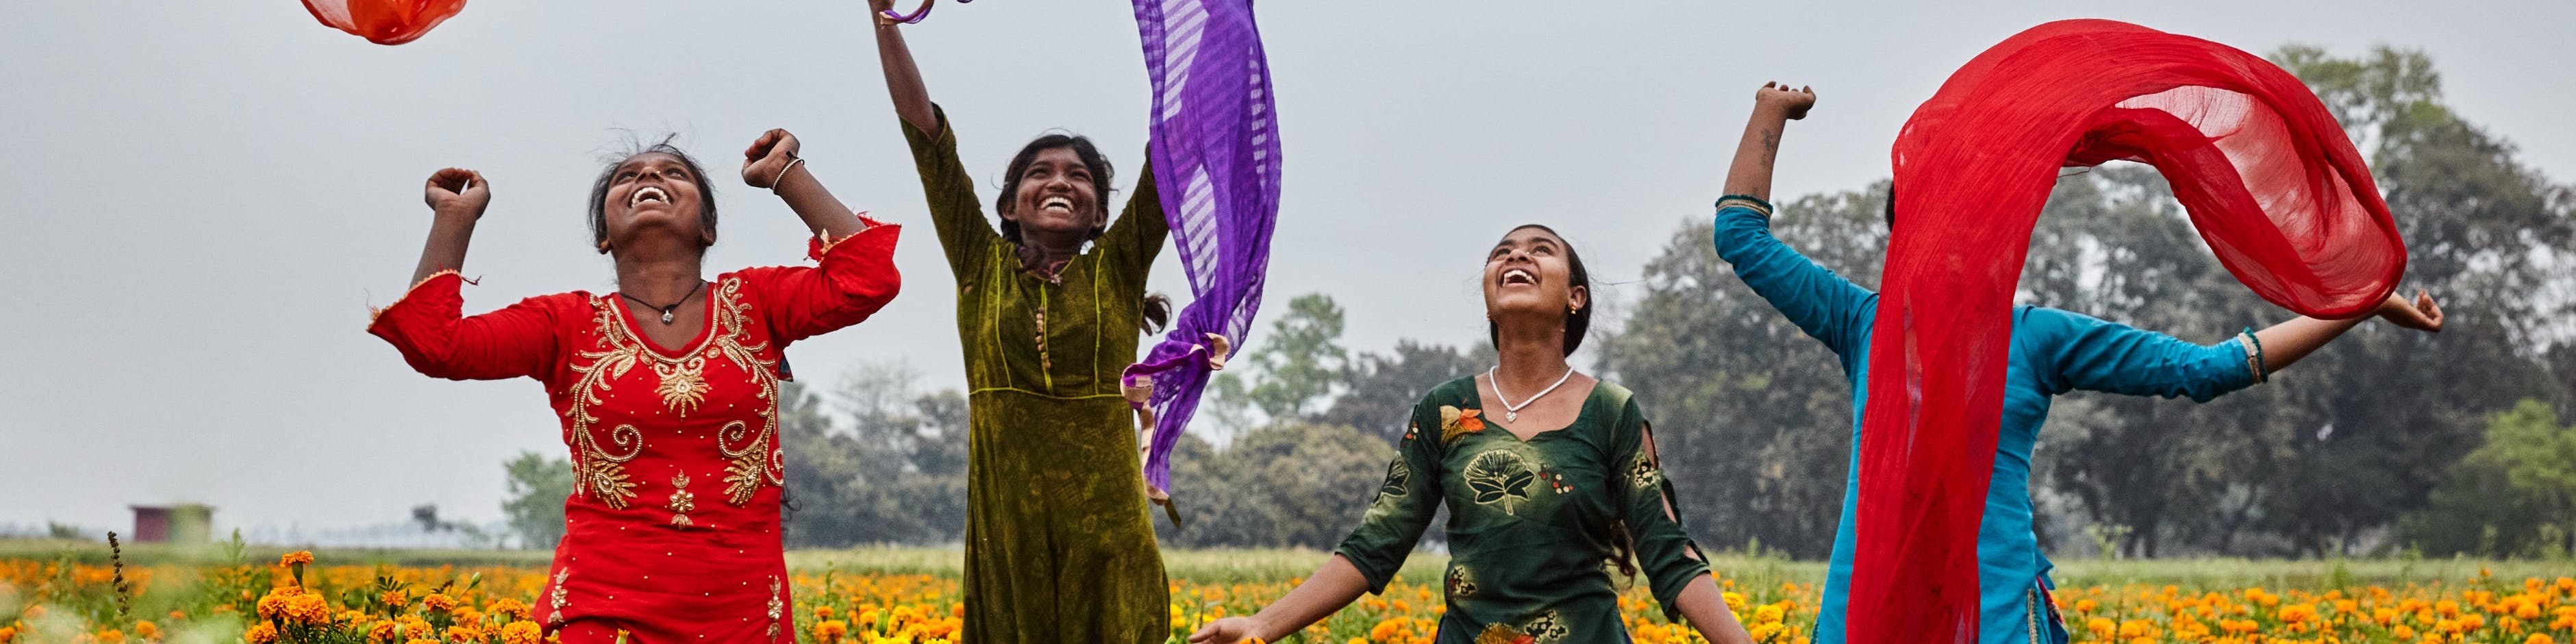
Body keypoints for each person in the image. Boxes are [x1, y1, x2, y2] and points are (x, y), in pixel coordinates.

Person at [1710, 83, 2443, 643]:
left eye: (1977, 220)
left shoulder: (2034, 337)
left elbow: (2209, 368)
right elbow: (1739, 236)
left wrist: (2353, 303)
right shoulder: (1859, 321)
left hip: (1993, 610)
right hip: (1870, 604)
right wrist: (1769, 110)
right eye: (1938, 220)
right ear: (1903, 236)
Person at [368, 130, 899, 643]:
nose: (648, 176)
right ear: (604, 234)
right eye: (627, 176)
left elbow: (868, 279)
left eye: (673, 173)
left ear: (707, 229)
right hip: (599, 609)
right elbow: (433, 343)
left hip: (742, 613)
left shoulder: (758, 304)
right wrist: (453, 220)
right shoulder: (564, 324)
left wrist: (784, 173)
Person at [1190, 225, 1756, 644]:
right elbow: (1375, 545)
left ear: (1575, 297)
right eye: (1501, 254)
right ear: (1488, 295)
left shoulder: (1611, 410)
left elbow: (1667, 551)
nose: (1516, 256)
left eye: (1540, 249)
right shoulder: (1444, 409)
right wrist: (1261, 627)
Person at [866, 3, 1175, 641]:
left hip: (1108, 537)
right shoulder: (980, 262)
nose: (1060, 181)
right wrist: (884, 20)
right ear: (1009, 205)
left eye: (1079, 176)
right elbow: (928, 141)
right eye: (1041, 172)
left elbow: (1174, 149)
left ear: (1099, 216)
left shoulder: (1116, 268)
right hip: (1008, 537)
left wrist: (1204, 36)